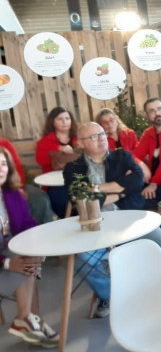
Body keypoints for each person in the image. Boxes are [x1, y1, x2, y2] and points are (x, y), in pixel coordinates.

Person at [64, 122, 161, 318]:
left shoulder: (121, 156)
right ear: (81, 143)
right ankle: (110, 294)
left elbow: (137, 181)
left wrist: (98, 189)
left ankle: (138, 282)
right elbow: (82, 197)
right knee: (84, 257)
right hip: (96, 225)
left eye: (102, 134)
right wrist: (122, 189)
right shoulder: (76, 167)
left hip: (129, 218)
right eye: (94, 136)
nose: (102, 138)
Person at [0, 147, 58, 348]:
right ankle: (28, 319)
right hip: (3, 261)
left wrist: (37, 243)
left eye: (4, 164)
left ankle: (30, 321)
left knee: (29, 256)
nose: (1, 169)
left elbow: (27, 222)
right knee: (25, 261)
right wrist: (7, 263)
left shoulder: (12, 193)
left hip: (11, 254)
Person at [35, 107, 78, 219]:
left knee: (83, 197)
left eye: (67, 118)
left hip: (78, 179)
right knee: (59, 200)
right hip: (55, 183)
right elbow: (40, 160)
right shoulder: (45, 141)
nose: (64, 122)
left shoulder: (79, 139)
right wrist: (58, 148)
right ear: (52, 122)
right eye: (60, 119)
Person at [0, 138, 52, 225]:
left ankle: (45, 233)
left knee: (40, 199)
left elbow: (17, 170)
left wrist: (17, 188)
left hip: (11, 185)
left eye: (3, 164)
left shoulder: (5, 144)